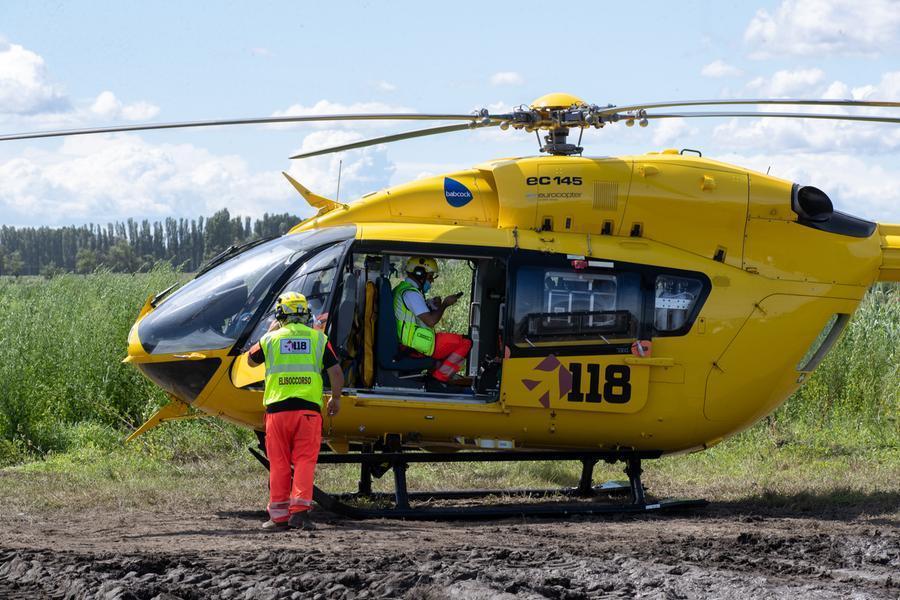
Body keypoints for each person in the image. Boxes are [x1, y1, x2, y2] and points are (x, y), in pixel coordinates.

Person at [247, 291, 343, 531]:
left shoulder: (270, 340)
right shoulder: (319, 339)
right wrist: (336, 398)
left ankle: (277, 517)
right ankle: (299, 514)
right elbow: (337, 374)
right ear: (305, 314)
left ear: (280, 315)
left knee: (278, 463)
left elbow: (249, 360)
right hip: (308, 413)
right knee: (304, 462)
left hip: (277, 413)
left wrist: (269, 332)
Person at [393, 256, 472, 391]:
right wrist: (445, 304)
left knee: (455, 342)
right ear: (420, 274)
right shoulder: (411, 294)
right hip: (415, 346)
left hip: (410, 342)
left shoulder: (402, 289)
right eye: (430, 277)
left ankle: (437, 373)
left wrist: (429, 304)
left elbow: (412, 313)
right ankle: (439, 379)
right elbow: (431, 321)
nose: (431, 281)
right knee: (466, 342)